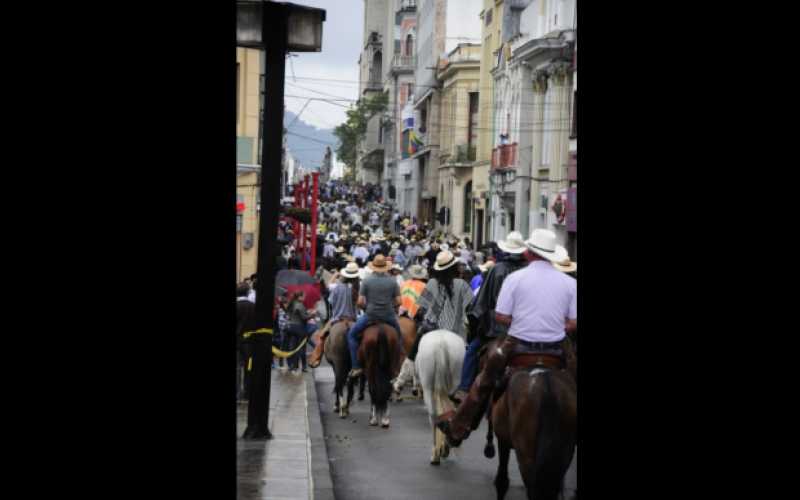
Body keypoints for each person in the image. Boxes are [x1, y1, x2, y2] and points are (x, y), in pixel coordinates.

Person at [436, 229, 577, 447]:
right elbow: (574, 323)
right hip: (557, 345)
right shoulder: (569, 283)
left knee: (485, 379)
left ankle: (459, 427)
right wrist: (556, 324)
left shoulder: (514, 278)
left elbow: (501, 316)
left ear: (529, 253)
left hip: (518, 341)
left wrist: (523, 322)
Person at [450, 231, 529, 404]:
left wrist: (476, 321)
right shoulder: (529, 270)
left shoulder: (496, 270)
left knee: (472, 351)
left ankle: (464, 388)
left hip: (497, 328)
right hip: (527, 328)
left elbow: (481, 303)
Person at [346, 254, 405, 379]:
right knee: (399, 337)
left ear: (373, 267)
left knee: (351, 335)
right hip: (389, 315)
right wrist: (389, 305)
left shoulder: (367, 280)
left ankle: (356, 367)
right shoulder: (393, 280)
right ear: (385, 267)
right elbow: (399, 302)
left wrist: (367, 308)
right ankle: (398, 366)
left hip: (370, 315)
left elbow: (360, 302)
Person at [308, 262, 361, 367]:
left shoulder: (337, 287)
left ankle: (316, 358)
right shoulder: (358, 288)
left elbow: (330, 299)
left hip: (337, 319)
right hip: (354, 319)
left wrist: (335, 275)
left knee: (322, 336)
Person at [285, 290, 318, 373]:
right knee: (301, 348)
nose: (304, 297)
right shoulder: (299, 305)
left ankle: (292, 366)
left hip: (291, 327)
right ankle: (302, 367)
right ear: (299, 297)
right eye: (303, 296)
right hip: (299, 328)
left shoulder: (292, 304)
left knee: (292, 347)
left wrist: (307, 313)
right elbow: (304, 318)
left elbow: (293, 314)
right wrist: (312, 315)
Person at [236, 282, 257, 401]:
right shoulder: (253, 306)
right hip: (249, 342)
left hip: (237, 341)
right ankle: (247, 393)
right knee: (248, 368)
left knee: (237, 368)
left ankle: (237, 393)